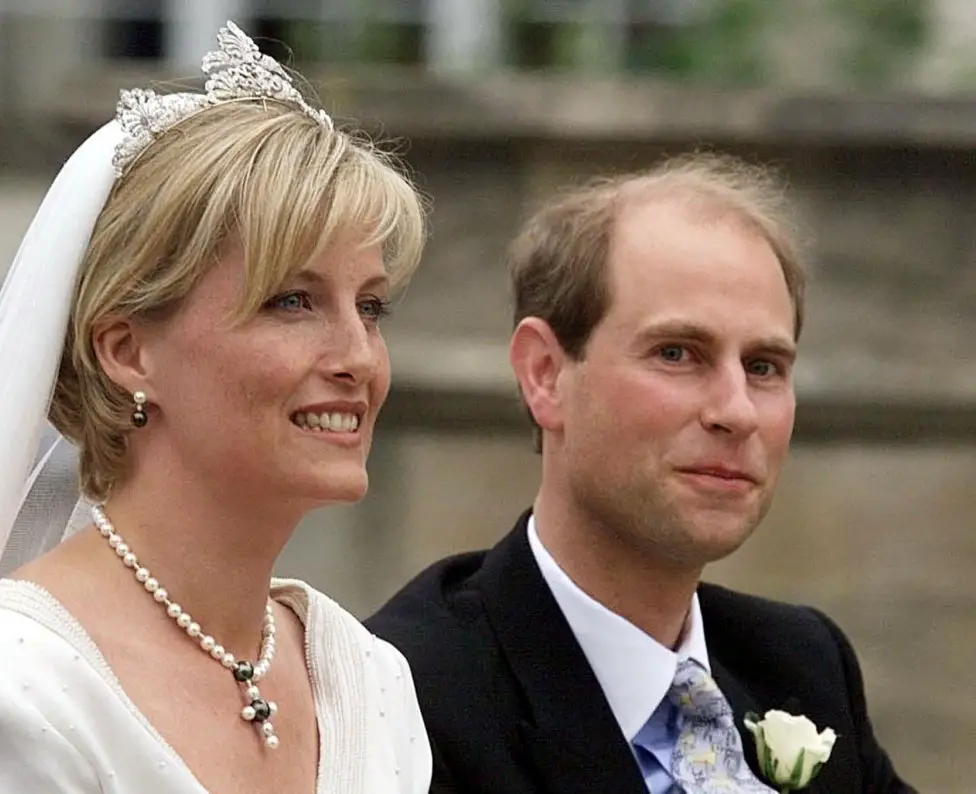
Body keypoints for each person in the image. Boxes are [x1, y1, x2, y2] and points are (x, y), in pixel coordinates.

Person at [0, 22, 431, 794]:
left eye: (371, 307)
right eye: (293, 301)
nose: (357, 358)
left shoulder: (367, 678)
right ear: (128, 352)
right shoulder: (4, 687)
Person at [366, 153, 916, 793]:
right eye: (678, 354)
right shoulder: (405, 696)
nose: (736, 410)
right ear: (545, 373)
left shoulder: (802, 665)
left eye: (764, 366)